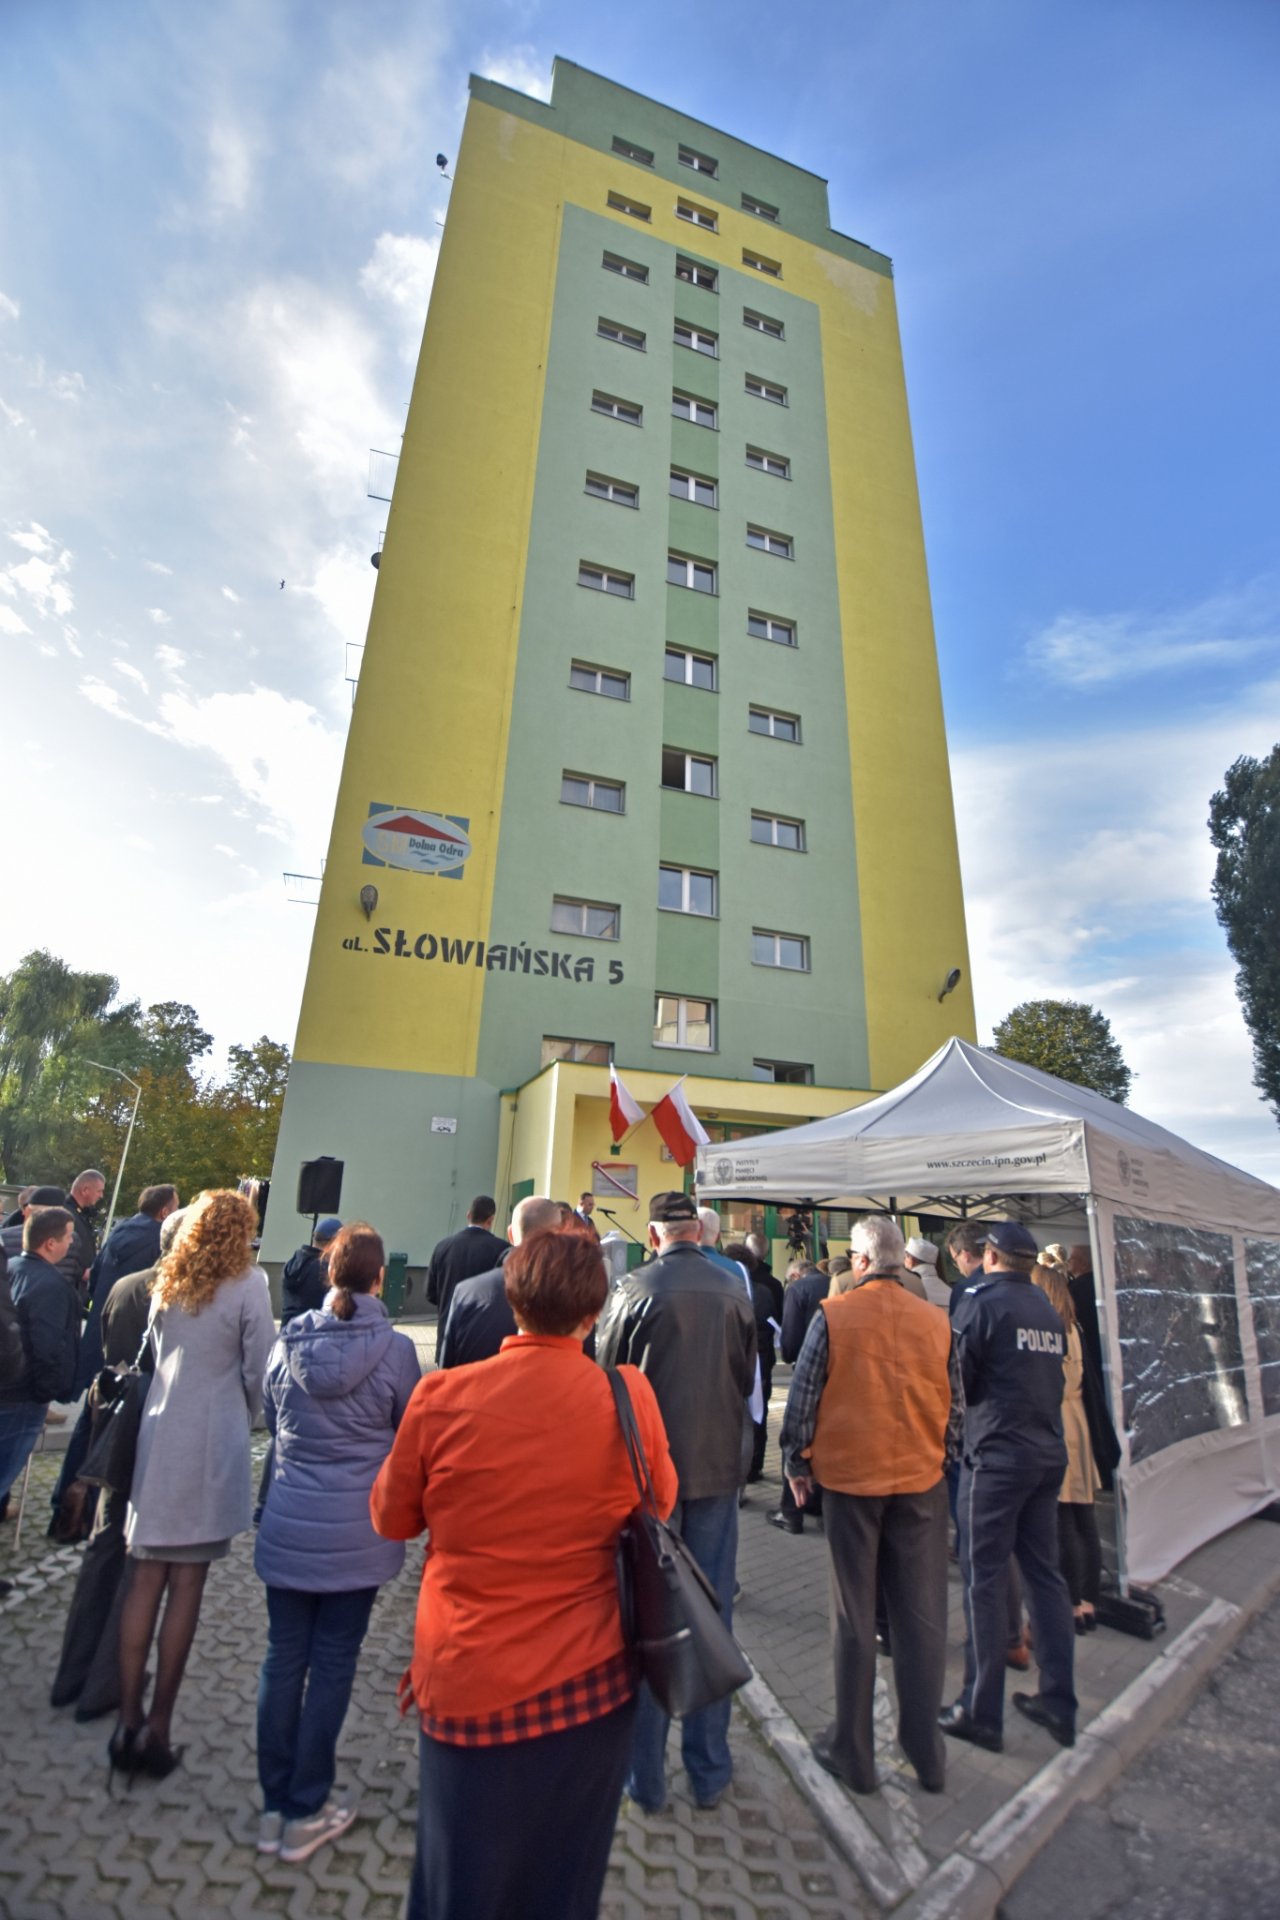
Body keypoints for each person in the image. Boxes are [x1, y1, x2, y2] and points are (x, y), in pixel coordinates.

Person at [371, 1229, 676, 1920]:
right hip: (594, 1683)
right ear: (593, 1314)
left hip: (469, 1680)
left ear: (513, 1302)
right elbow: (659, 1503)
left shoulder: (441, 1396)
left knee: (459, 1888)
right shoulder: (629, 1396)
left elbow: (391, 1518)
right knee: (564, 1885)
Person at [255, 1222, 421, 1863]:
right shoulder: (397, 1351)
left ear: (330, 1273)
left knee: (282, 1658)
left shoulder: (289, 1339)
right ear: (380, 1279)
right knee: (331, 1664)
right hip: (357, 1533)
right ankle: (306, 1805)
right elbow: (409, 1436)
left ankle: (276, 1804)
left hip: (290, 1520)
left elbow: (273, 1418)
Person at [780, 1216, 960, 1795]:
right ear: (900, 1262)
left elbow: (804, 1394)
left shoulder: (833, 1315)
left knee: (854, 1615)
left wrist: (796, 1463)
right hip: (921, 1479)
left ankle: (853, 1751)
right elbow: (956, 1404)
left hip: (852, 1481)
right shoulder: (936, 1320)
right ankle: (926, 1751)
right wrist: (943, 1458)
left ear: (859, 1262)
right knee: (922, 1615)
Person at [596, 1191, 757, 1813]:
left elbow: (606, 1377)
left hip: (648, 1477)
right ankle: (709, 1769)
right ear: (697, 1231)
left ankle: (645, 1776)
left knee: (650, 1619)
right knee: (712, 1619)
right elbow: (745, 1378)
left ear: (655, 1234)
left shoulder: (633, 1288)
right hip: (716, 1470)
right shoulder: (733, 1288)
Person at [111, 1189, 276, 1783]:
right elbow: (260, 1366)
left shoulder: (169, 1279)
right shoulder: (249, 1284)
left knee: (145, 1576)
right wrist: (248, 1413)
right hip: (210, 1435)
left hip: (160, 1431)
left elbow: (157, 1353)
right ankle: (158, 1726)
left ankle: (125, 1722)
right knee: (186, 1582)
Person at [940, 1221, 1077, 1755]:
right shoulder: (1045, 1308)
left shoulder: (981, 1303)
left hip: (995, 1459)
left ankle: (980, 1712)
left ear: (991, 1257)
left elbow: (959, 1383)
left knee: (984, 1580)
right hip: (1045, 1454)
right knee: (1045, 1577)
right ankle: (1058, 1701)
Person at [51, 1208, 188, 1717]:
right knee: (137, 1560)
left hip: (110, 1422)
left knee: (104, 1547)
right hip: (149, 1429)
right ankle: (105, 1683)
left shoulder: (126, 1285)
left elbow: (109, 1349)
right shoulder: (182, 1295)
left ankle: (72, 1675)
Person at [0, 1207, 80, 1514]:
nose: (71, 1243)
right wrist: (46, 1393)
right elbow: (47, 1346)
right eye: (69, 1236)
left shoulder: (11, 1267)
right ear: (50, 1243)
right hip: (23, 1394)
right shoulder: (52, 1286)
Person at [437, 1194, 560, 1368]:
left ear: (511, 1234)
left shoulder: (465, 1291)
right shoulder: (577, 1297)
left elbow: (448, 1369)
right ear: (559, 1235)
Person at [770, 1257, 830, 1534]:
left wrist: (788, 1354)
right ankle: (818, 1503)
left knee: (796, 1437)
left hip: (807, 1371)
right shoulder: (832, 1283)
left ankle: (791, 1511)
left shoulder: (797, 1290)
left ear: (794, 1276)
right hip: (835, 1374)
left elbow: (790, 1341)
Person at [426, 1195, 507, 1315]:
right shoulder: (502, 1249)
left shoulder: (442, 1247)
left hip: (449, 1322)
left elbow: (430, 1294)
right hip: (484, 1323)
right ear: (490, 1220)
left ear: (468, 1215)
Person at [279, 1216, 343, 1326]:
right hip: (312, 1333)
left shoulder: (292, 1263)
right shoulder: (326, 1270)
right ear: (334, 1241)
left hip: (287, 1331)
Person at [59, 1169, 106, 1296]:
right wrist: (81, 1272)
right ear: (85, 1190)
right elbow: (59, 1251)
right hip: (69, 1285)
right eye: (99, 1191)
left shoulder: (80, 1214)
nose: (101, 1196)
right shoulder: (66, 1214)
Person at [1066, 1244, 1104, 1380]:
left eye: (1072, 1258)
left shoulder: (1076, 1288)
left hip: (1086, 1343)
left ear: (1083, 1263)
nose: (1068, 1261)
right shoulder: (1101, 1283)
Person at [904, 1236, 950, 1309]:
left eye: (905, 1256)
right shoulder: (950, 1291)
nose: (903, 1261)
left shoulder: (907, 1288)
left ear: (911, 1260)